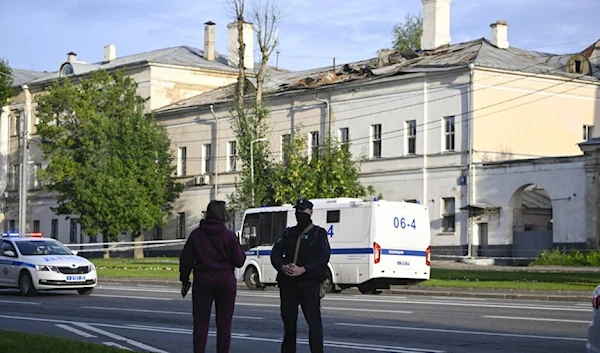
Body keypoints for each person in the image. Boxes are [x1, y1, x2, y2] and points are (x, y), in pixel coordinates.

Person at [179, 200, 247, 353]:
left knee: (200, 324)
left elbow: (186, 259)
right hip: (225, 281)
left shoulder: (196, 234)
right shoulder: (229, 236)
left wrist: (185, 279)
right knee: (224, 324)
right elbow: (239, 261)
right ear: (224, 214)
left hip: (203, 281)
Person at [270, 199, 331, 353]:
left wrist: (303, 269)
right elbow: (276, 253)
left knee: (314, 325)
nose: (300, 214)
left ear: (311, 212)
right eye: (298, 211)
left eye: (303, 211)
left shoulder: (318, 233)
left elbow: (323, 257)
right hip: (288, 284)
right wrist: (283, 267)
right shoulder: (289, 232)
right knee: (289, 326)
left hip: (309, 284)